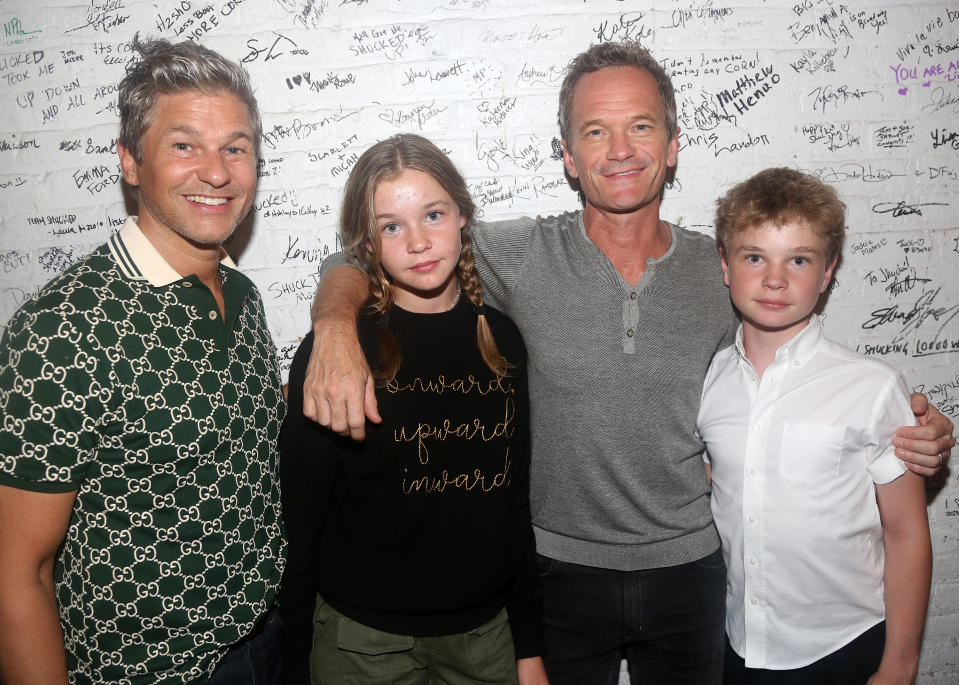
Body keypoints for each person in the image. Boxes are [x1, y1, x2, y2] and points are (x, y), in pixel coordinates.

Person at [300, 43, 955, 683]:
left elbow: (797, 369)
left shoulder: (726, 268)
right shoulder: (520, 254)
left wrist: (904, 425)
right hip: (557, 572)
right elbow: (380, 245)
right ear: (567, 155)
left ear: (671, 146)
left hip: (692, 571)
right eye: (595, 130)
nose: (618, 150)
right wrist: (333, 325)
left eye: (639, 126)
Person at [0, 37, 285, 684]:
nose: (216, 172)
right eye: (184, 145)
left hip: (269, 645)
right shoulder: (64, 328)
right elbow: (16, 572)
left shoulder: (243, 296)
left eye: (235, 148)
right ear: (130, 161)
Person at [279, 133, 547, 684]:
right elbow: (301, 515)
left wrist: (529, 648)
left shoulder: (502, 340)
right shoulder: (340, 352)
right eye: (391, 226)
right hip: (360, 644)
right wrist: (292, 660)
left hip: (485, 640)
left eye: (433, 214)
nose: (419, 242)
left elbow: (515, 505)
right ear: (367, 243)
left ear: (464, 215)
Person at [699, 167, 932, 684]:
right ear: (725, 265)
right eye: (754, 256)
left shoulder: (872, 387)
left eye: (798, 260)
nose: (775, 279)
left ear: (827, 275)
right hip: (736, 644)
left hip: (843, 645)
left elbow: (907, 531)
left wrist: (900, 663)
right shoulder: (709, 380)